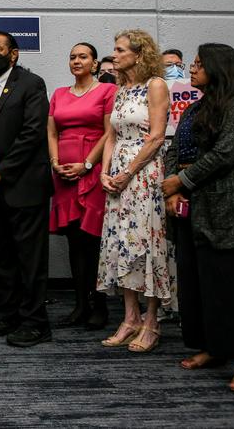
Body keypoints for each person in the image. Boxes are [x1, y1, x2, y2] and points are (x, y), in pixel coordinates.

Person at [162, 44, 234, 393]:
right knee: (200, 281)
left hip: (226, 205)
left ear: (219, 68)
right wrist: (172, 189)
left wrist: (182, 181)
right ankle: (214, 348)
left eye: (198, 64)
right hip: (190, 207)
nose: (192, 70)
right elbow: (172, 150)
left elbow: (227, 152)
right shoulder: (194, 107)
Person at [0, 31, 53, 347]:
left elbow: (32, 135)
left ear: (13, 54)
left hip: (23, 185)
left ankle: (35, 322)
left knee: (29, 258)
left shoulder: (31, 85)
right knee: (1, 256)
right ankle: (6, 313)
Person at [97, 29, 171, 352]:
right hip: (117, 176)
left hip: (143, 174)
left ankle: (152, 321)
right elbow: (111, 135)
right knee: (120, 243)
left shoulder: (155, 85)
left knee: (146, 243)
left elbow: (155, 137)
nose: (114, 55)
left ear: (139, 54)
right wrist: (103, 171)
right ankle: (130, 318)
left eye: (120, 50)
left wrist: (128, 171)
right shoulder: (120, 88)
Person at [47, 43, 117, 330]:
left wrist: (87, 164)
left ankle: (99, 305)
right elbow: (51, 131)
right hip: (64, 174)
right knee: (74, 242)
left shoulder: (106, 91)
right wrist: (54, 162)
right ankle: (80, 304)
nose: (76, 61)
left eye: (83, 57)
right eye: (72, 56)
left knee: (94, 241)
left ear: (95, 63)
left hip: (93, 170)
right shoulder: (59, 94)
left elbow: (109, 132)